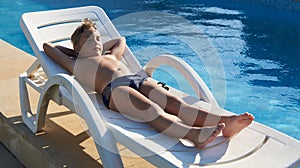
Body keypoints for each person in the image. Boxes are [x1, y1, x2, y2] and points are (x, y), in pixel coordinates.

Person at [43, 18, 254, 149]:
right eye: (90, 40)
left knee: (176, 103)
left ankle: (227, 122)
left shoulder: (111, 56)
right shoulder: (77, 64)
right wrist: (78, 54)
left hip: (137, 79)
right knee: (150, 110)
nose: (97, 43)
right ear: (78, 47)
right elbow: (48, 47)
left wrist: (97, 46)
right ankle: (191, 135)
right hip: (115, 91)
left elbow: (120, 41)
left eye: (98, 38)